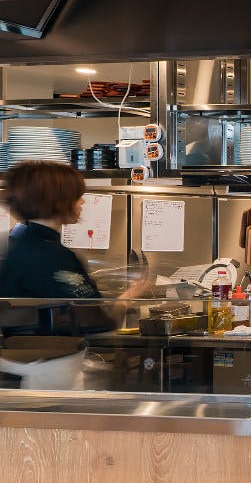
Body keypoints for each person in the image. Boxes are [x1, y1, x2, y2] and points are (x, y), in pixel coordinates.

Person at [0, 160, 152, 388]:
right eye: (77, 196)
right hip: (45, 376)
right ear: (58, 201)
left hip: (19, 371)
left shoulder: (13, 243)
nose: (82, 202)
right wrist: (129, 296)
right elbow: (97, 321)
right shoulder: (52, 255)